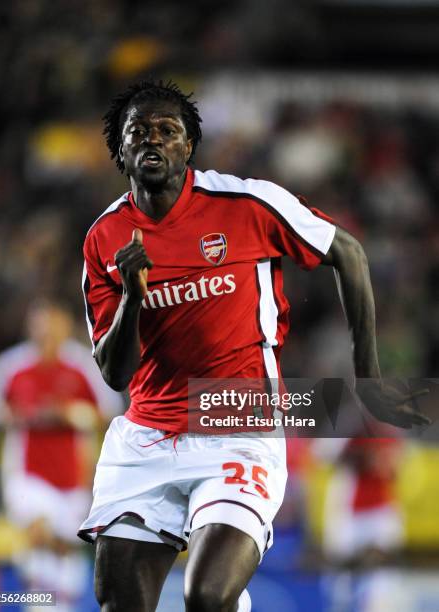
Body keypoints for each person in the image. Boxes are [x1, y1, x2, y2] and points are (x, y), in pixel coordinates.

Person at [78, 80, 429, 612]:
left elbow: (348, 253)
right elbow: (115, 374)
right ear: (120, 149)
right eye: (138, 132)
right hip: (145, 435)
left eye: (167, 130)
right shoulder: (104, 238)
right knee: (118, 602)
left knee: (207, 596)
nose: (152, 140)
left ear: (188, 146)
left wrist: (367, 373)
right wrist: (131, 296)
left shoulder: (245, 203)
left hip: (237, 420)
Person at [0, 299, 122, 609]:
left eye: (53, 324)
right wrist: (25, 414)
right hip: (28, 470)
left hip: (72, 475)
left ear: (65, 327)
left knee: (62, 549)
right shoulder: (13, 365)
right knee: (37, 533)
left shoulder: (82, 365)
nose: (46, 331)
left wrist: (69, 414)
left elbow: (109, 411)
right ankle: (42, 598)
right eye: (40, 324)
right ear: (30, 327)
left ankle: (57, 599)